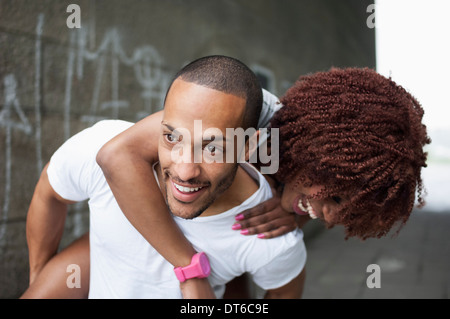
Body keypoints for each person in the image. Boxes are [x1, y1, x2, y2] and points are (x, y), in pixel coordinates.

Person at [22, 55, 306, 299]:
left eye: (214, 148)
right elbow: (49, 192)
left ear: (248, 147)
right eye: (172, 137)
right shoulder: (100, 147)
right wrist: (38, 275)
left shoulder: (269, 238)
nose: (185, 171)